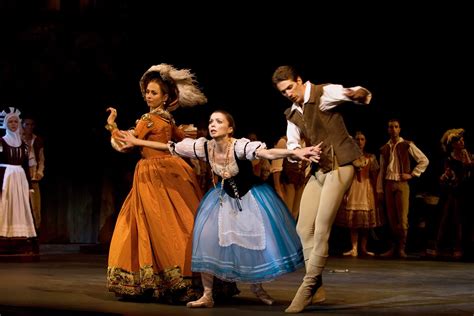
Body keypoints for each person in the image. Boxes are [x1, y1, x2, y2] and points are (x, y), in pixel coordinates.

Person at [115, 109, 322, 308]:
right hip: (221, 200)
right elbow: (170, 147)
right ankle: (207, 295)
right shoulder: (204, 146)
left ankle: (257, 287)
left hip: (249, 197)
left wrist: (295, 151)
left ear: (230, 129)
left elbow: (267, 153)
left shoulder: (240, 146)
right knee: (206, 241)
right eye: (211, 121)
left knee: (251, 242)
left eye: (219, 122)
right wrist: (136, 141)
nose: (213, 125)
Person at [271, 65, 372, 313]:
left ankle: (306, 289)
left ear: (299, 80)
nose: (288, 94)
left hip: (341, 163)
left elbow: (355, 92)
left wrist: (357, 94)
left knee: (321, 228)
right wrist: (301, 154)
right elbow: (293, 146)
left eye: (290, 88)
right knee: (303, 228)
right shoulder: (292, 113)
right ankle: (318, 288)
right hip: (320, 169)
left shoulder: (323, 93)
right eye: (283, 92)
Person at [105, 64, 208, 304]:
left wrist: (112, 124)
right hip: (173, 170)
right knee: (177, 222)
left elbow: (127, 144)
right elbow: (182, 141)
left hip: (154, 175)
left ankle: (167, 278)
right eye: (147, 93)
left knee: (158, 224)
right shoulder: (167, 119)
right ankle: (185, 275)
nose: (148, 96)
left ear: (165, 97)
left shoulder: (150, 119)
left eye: (153, 93)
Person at [376, 119, 429, 258]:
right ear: (388, 130)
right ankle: (393, 247)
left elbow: (424, 160)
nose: (393, 129)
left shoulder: (407, 144)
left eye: (396, 127)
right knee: (392, 219)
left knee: (402, 219)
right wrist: (380, 189)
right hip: (388, 183)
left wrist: (412, 174)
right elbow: (382, 170)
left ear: (399, 129)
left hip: (401, 183)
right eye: (390, 127)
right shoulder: (384, 148)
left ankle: (401, 248)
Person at [335, 131, 382, 257]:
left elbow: (375, 175)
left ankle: (363, 247)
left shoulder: (370, 157)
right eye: (357, 139)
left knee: (365, 221)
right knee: (353, 221)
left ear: (365, 141)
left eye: (362, 139)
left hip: (366, 188)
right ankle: (354, 247)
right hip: (353, 187)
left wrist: (377, 191)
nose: (360, 142)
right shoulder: (349, 157)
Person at [0, 107, 38, 256]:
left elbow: (26, 166)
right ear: (5, 123)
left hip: (20, 177)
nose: (14, 124)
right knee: (6, 204)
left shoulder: (23, 145)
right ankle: (4, 235)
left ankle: (19, 236)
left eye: (16, 121)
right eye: (11, 122)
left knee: (20, 206)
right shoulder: (2, 142)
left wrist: (29, 185)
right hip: (5, 176)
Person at [429, 128, 472, 259]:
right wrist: (446, 176)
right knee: (446, 218)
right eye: (458, 140)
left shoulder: (468, 155)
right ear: (453, 144)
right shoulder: (449, 159)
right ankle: (440, 247)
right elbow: (446, 176)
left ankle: (461, 247)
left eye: (462, 139)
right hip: (452, 192)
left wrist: (469, 164)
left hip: (467, 191)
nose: (462, 142)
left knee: (462, 220)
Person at [271, 135, 308, 220]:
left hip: (300, 183)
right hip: (287, 182)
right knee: (286, 216)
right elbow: (276, 168)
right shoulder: (284, 141)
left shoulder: (306, 142)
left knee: (294, 216)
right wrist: (278, 190)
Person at [21, 116, 45, 231]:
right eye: (27, 124)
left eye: (31, 125)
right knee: (21, 204)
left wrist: (40, 172)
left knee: (35, 206)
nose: (29, 127)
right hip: (21, 175)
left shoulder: (37, 140)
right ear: (22, 125)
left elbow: (41, 158)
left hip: (34, 175)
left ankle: (36, 231)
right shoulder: (18, 139)